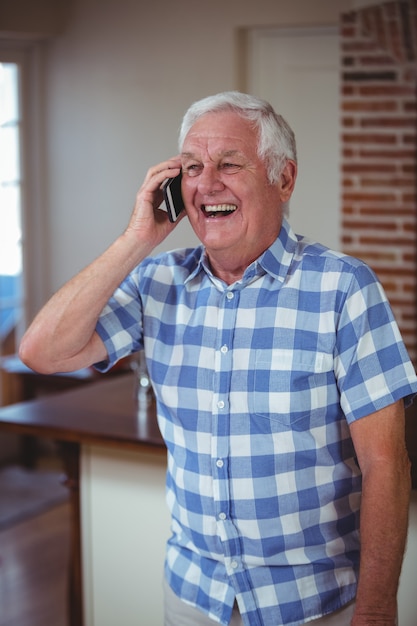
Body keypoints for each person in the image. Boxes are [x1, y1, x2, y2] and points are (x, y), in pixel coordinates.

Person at [19, 91, 417, 626]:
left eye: (230, 164)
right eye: (191, 168)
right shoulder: (157, 282)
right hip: (193, 599)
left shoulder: (344, 288)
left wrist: (375, 608)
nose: (207, 183)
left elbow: (386, 464)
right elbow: (42, 351)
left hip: (316, 604)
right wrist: (138, 238)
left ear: (284, 179)